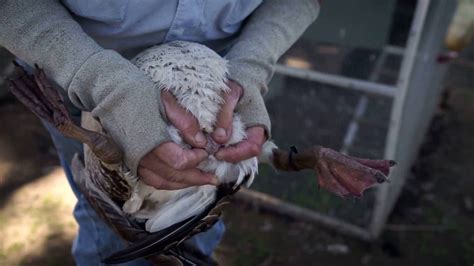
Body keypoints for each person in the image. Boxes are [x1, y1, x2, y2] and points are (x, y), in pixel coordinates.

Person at [0, 0, 319, 265]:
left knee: (194, 225)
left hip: (220, 80)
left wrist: (249, 66)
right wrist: (105, 85)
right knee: (110, 228)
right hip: (72, 74)